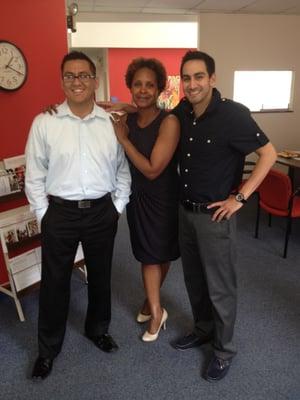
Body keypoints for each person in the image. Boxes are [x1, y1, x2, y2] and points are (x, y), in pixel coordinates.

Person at [170, 50, 277, 381]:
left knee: (220, 287)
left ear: (212, 78)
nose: (192, 84)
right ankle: (203, 329)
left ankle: (224, 349)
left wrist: (240, 198)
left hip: (216, 216)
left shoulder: (233, 115)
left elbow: (268, 154)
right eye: (186, 78)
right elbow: (156, 122)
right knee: (195, 280)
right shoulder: (183, 112)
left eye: (199, 76)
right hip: (186, 213)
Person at [25, 51, 131, 380]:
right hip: (60, 214)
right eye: (70, 76)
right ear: (62, 81)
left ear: (95, 80)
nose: (77, 82)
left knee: (100, 277)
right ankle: (48, 349)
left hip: (102, 212)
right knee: (55, 283)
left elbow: (123, 170)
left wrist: (117, 208)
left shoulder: (112, 124)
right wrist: (44, 215)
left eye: (84, 75)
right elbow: (34, 175)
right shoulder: (45, 122)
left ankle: (97, 330)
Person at [109, 58, 180, 342]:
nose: (143, 90)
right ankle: (152, 302)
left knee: (157, 255)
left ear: (160, 88)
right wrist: (52, 110)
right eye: (137, 84)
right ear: (129, 86)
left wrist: (124, 140)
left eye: (150, 84)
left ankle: (156, 311)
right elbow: (93, 106)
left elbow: (152, 169)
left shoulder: (170, 121)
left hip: (163, 198)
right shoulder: (128, 118)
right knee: (151, 254)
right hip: (137, 198)